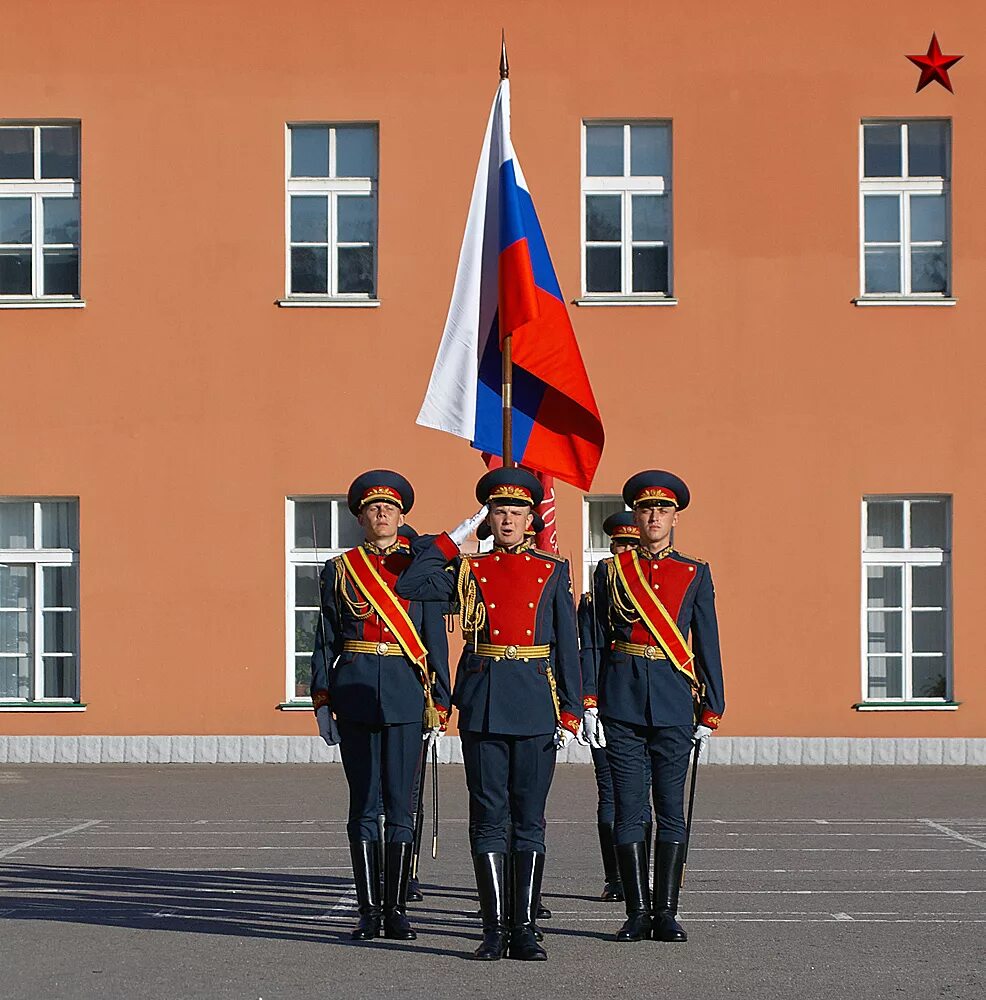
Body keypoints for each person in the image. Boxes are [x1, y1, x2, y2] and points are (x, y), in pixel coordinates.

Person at [396, 468, 582, 962]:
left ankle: (523, 927)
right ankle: (493, 928)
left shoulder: (552, 569)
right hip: (483, 702)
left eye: (516, 512)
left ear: (530, 520)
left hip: (535, 702)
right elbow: (411, 582)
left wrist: (572, 707)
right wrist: (455, 537)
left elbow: (568, 644)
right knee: (487, 818)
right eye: (497, 511)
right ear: (488, 518)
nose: (507, 519)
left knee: (529, 818)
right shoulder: (468, 569)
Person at [310, 472, 451, 942]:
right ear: (360, 517)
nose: (381, 514)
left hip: (407, 693)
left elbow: (434, 641)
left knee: (401, 805)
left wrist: (440, 700)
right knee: (363, 805)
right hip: (353, 693)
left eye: (389, 508)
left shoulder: (420, 569)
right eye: (372, 508)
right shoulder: (341, 569)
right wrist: (321, 700)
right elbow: (326, 638)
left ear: (402, 516)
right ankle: (368, 911)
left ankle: (396, 908)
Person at [590, 470, 724, 944]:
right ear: (636, 515)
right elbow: (596, 641)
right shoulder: (609, 572)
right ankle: (636, 910)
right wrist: (590, 701)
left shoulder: (694, 572)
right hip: (621, 699)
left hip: (672, 699)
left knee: (669, 808)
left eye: (662, 510)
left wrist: (712, 706)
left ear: (674, 518)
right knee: (629, 808)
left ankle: (666, 911)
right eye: (646, 509)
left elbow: (706, 640)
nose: (653, 517)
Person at [576, 511, 652, 903]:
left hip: (646, 704)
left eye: (631, 544)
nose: (624, 550)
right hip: (607, 702)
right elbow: (588, 650)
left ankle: (640, 873)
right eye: (619, 544)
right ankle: (615, 876)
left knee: (644, 795)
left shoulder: (652, 594)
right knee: (611, 793)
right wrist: (589, 701)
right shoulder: (595, 598)